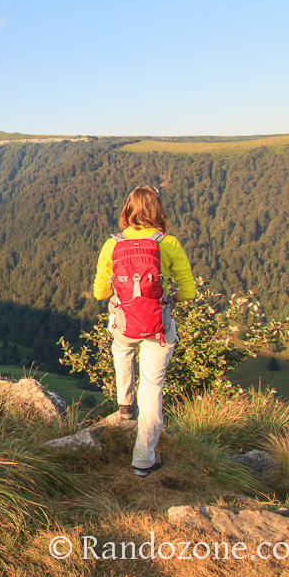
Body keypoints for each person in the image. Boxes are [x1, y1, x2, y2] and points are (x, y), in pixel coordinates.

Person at [92, 186, 195, 477]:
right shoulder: (168, 243)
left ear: (128, 210)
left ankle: (124, 405)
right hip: (157, 326)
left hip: (124, 322)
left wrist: (120, 293)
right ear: (158, 210)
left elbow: (100, 292)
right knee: (152, 387)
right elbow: (188, 290)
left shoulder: (113, 245)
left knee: (121, 349)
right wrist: (169, 298)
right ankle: (143, 460)